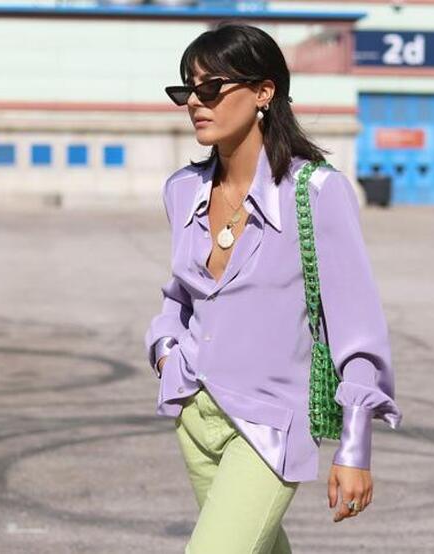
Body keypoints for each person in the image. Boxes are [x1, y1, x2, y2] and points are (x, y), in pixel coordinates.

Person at [144, 21, 403, 554]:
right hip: (195, 415)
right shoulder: (182, 190)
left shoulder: (317, 192)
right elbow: (179, 298)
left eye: (211, 87)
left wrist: (355, 446)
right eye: (186, 90)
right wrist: (167, 354)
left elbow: (357, 328)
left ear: (264, 91)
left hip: (270, 426)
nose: (195, 102)